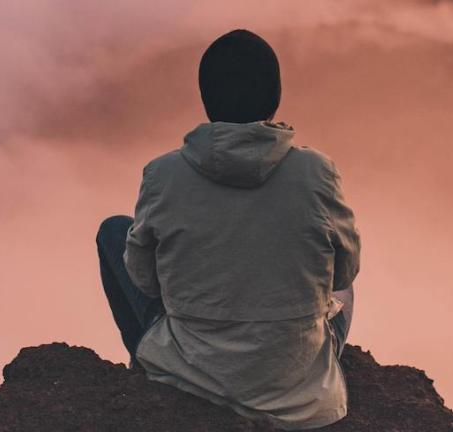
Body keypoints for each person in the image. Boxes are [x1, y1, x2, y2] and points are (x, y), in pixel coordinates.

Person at [95, 28, 360, 430]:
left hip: (191, 370)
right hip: (298, 388)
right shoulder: (317, 172)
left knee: (114, 232)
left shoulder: (163, 173)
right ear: (275, 99)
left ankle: (147, 368)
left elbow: (146, 282)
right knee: (345, 291)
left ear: (207, 100)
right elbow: (343, 273)